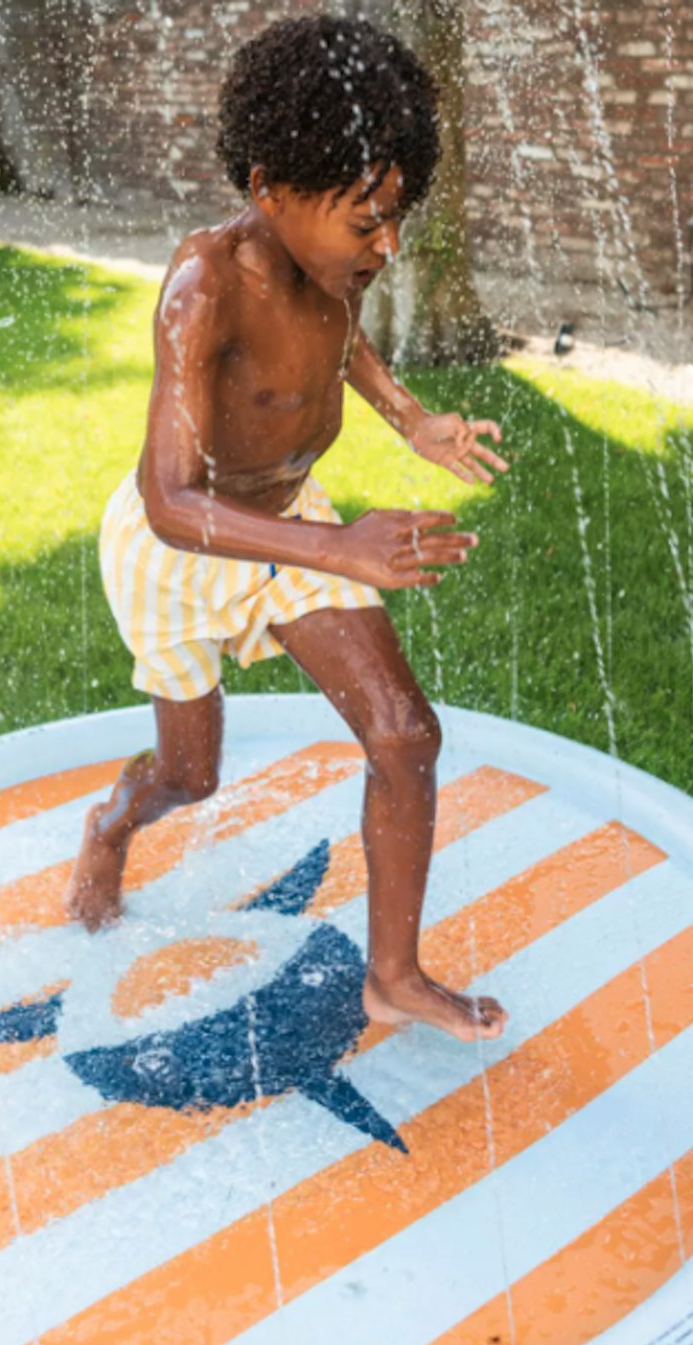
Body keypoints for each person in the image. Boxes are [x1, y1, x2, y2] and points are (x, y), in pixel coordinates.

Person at [65, 14, 511, 1041]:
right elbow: (173, 501)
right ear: (269, 188)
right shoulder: (204, 286)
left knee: (405, 734)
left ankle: (391, 975)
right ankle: (110, 825)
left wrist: (412, 418)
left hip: (291, 529)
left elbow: (342, 344)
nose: (387, 247)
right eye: (366, 223)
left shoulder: (331, 275)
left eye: (396, 219)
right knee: (191, 774)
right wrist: (345, 547)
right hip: (179, 554)